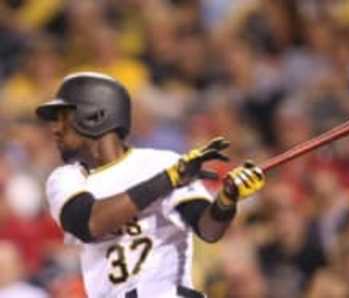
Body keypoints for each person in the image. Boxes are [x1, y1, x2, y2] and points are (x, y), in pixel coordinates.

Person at [34, 72, 266, 298]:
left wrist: (226, 199)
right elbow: (89, 224)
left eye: (63, 118)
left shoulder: (163, 162)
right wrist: (167, 180)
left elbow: (208, 229)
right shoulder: (65, 179)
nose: (55, 129)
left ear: (95, 117)